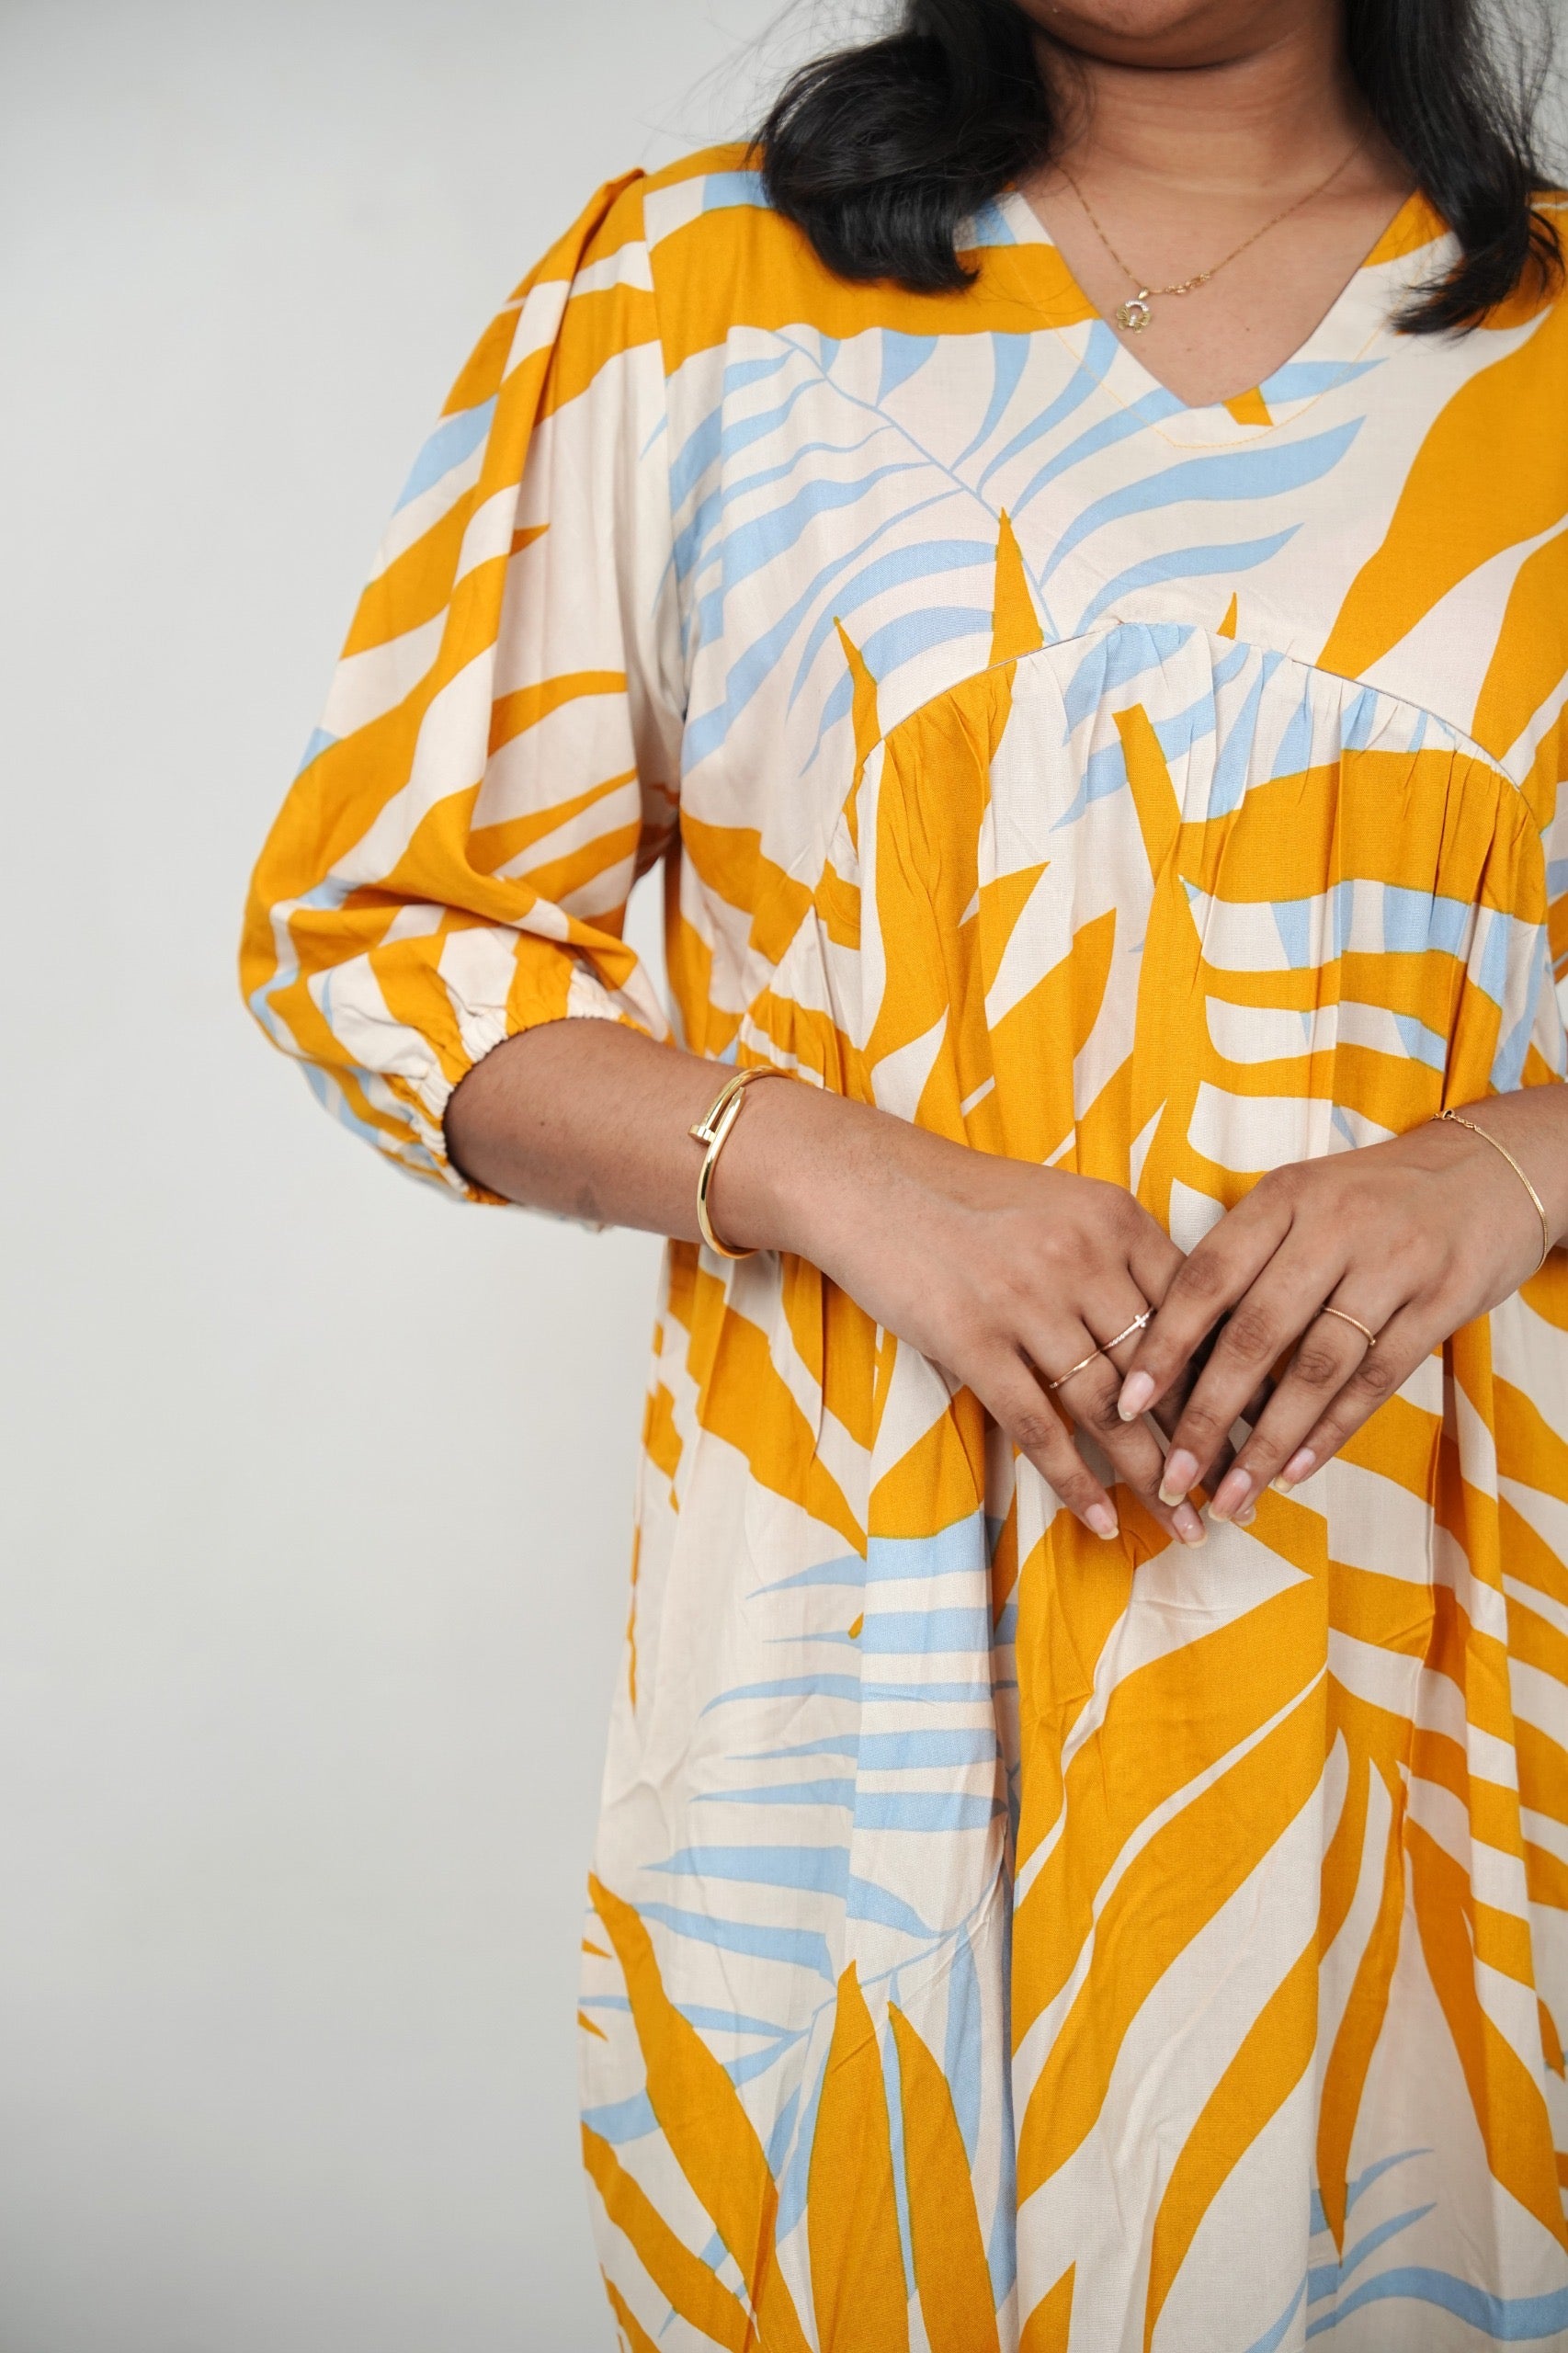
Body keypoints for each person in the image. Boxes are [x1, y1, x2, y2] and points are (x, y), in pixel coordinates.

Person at [241, 0, 1568, 2341]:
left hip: (1457, 1644)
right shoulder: (692, 297)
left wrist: (1512, 1157)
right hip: (859, 1648)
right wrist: (833, 1168)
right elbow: (375, 934)